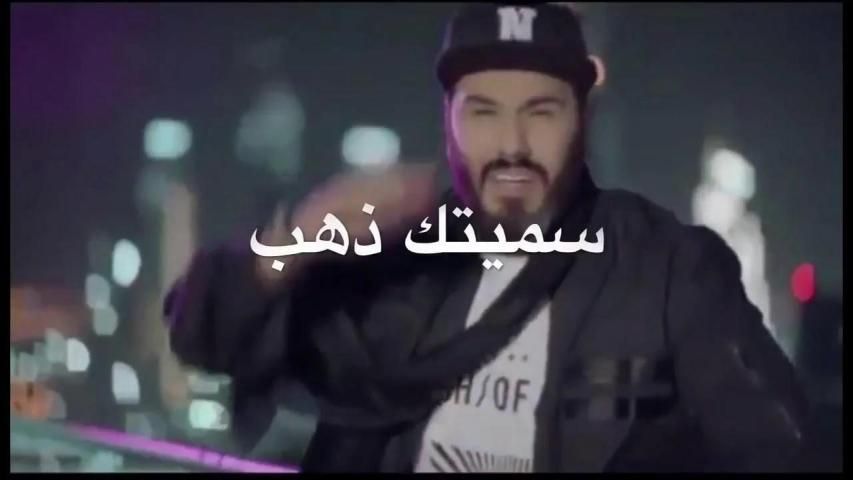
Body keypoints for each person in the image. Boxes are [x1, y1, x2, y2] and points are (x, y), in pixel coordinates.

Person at [164, 3, 809, 472]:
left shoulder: (667, 270)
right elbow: (204, 334)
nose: (512, 145)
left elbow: (781, 447)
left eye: (541, 111)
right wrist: (307, 232)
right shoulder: (393, 258)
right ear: (446, 121)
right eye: (483, 112)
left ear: (583, 119)